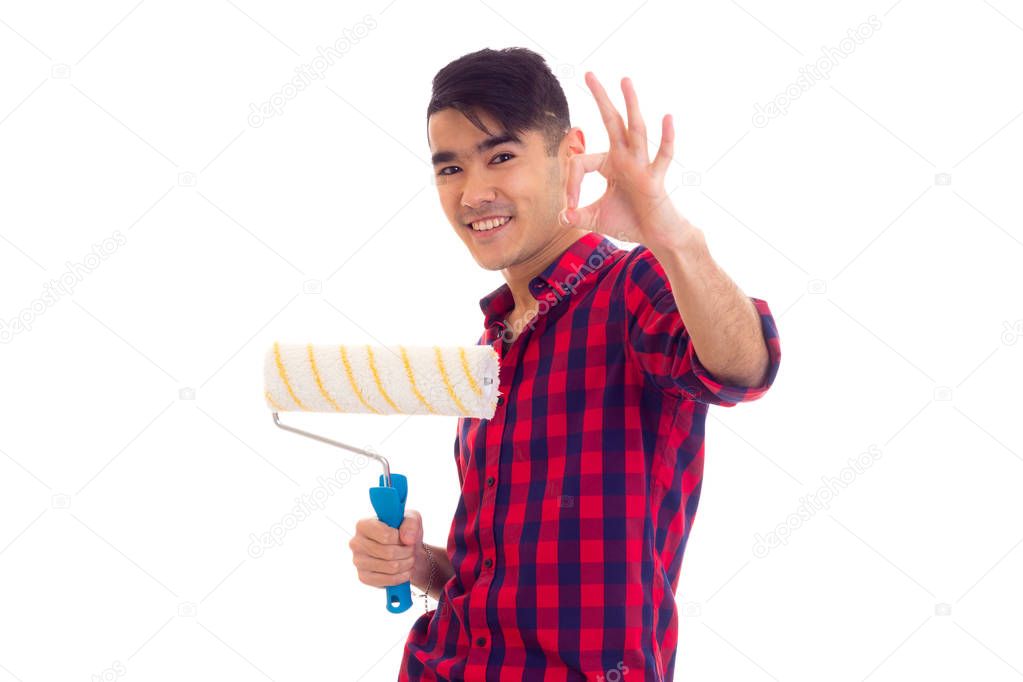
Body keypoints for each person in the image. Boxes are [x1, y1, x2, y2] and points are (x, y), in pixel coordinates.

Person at [348, 47, 782, 681]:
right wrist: (418, 565)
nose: (474, 192)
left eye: (501, 156)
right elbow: (496, 580)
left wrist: (670, 235)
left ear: (568, 154)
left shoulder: (636, 287)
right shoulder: (492, 344)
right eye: (450, 168)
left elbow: (746, 368)